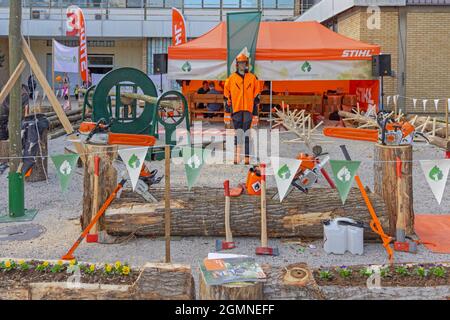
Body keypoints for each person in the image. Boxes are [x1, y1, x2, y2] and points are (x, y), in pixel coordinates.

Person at [224, 54, 261, 165]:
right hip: (236, 110)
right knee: (238, 133)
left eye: (244, 62)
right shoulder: (231, 79)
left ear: (246, 64)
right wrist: (228, 109)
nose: (242, 65)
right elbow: (226, 95)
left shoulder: (252, 78)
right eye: (240, 63)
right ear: (237, 64)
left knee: (247, 133)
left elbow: (257, 96)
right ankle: (236, 157)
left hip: (248, 110)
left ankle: (246, 158)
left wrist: (255, 113)